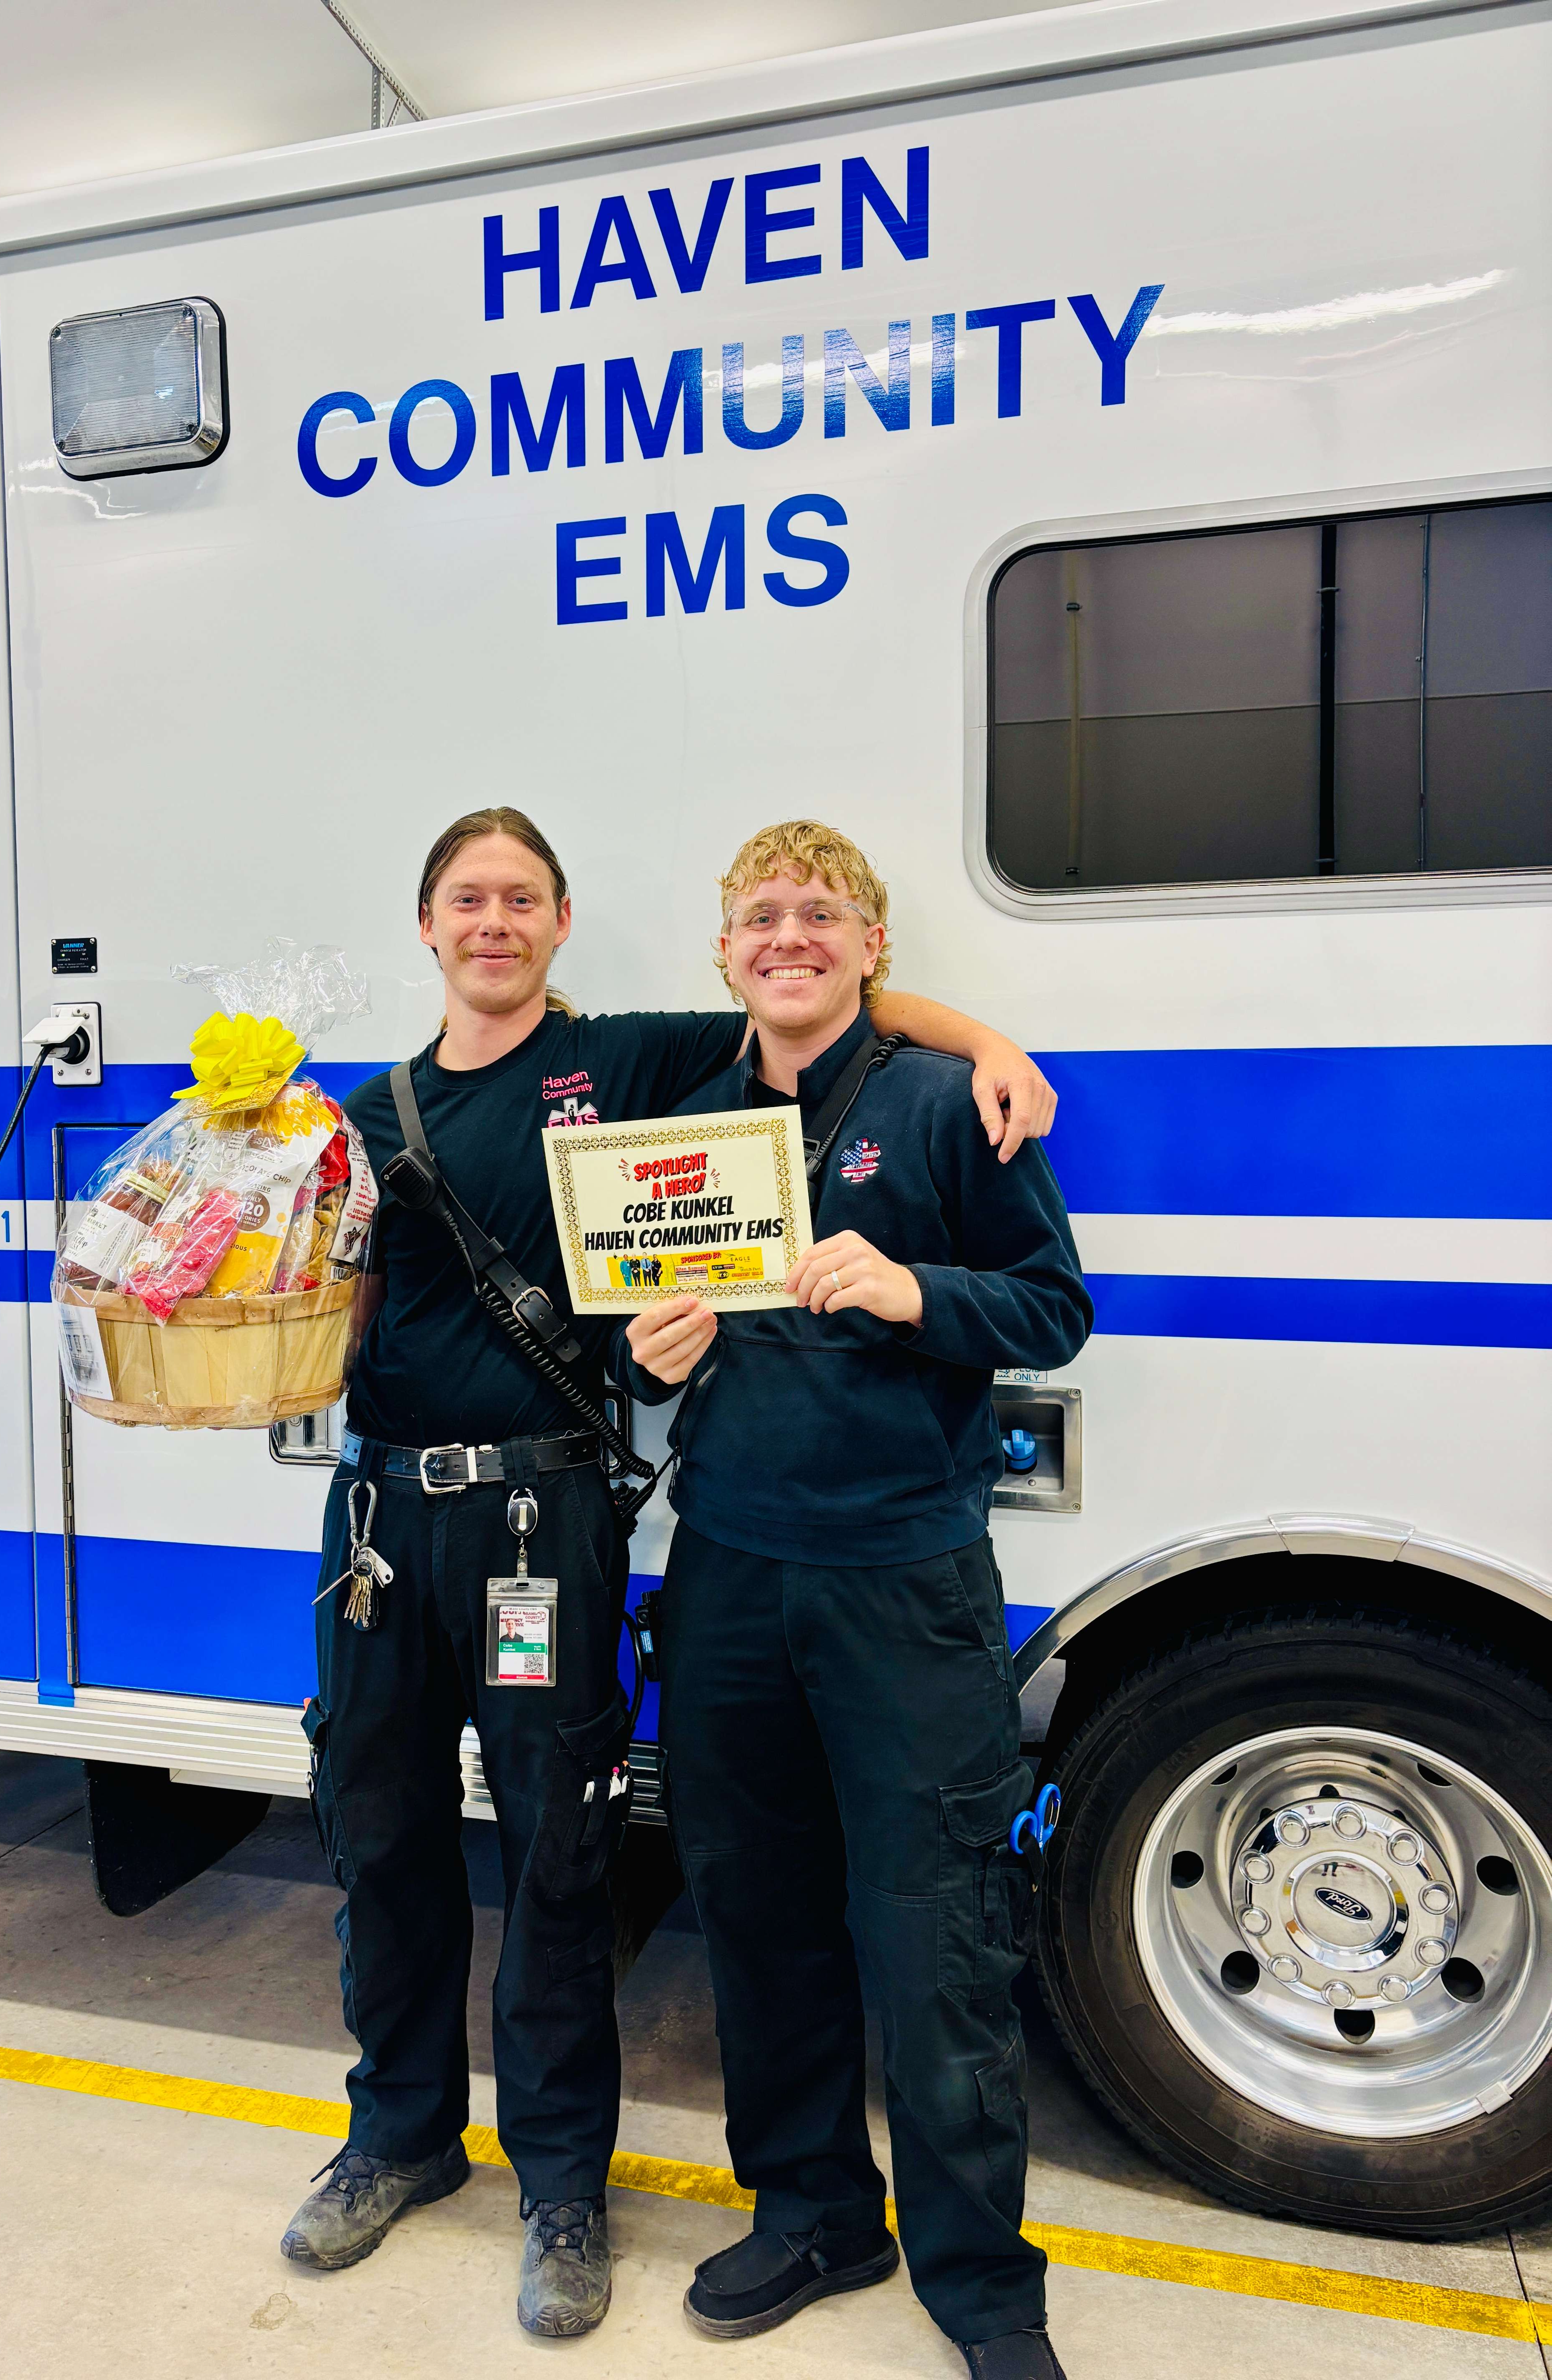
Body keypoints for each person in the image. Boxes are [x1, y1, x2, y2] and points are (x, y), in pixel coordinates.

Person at [279, 805, 1060, 2338]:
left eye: (520, 898)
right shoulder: (397, 1116)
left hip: (733, 1553)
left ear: (562, 927)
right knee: (631, 1886)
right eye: (465, 899)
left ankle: (920, 2274)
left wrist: (988, 1059)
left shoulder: (655, 1073)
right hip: (558, 1550)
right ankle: (451, 2148)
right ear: (424, 925)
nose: (492, 921)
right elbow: (414, 1304)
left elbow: (1043, 1295)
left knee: (839, 1914)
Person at [613, 821, 1093, 2377]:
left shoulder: (946, 1108)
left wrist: (914, 1291)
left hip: (903, 1579)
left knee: (936, 1931)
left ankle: (980, 2285)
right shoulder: (682, 1129)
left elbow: (1054, 1308)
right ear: (726, 952)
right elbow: (646, 1317)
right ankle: (817, 2209)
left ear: (871, 947)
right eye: (760, 916)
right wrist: (651, 1353)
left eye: (820, 915)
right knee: (756, 1913)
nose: (788, 937)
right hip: (732, 1570)